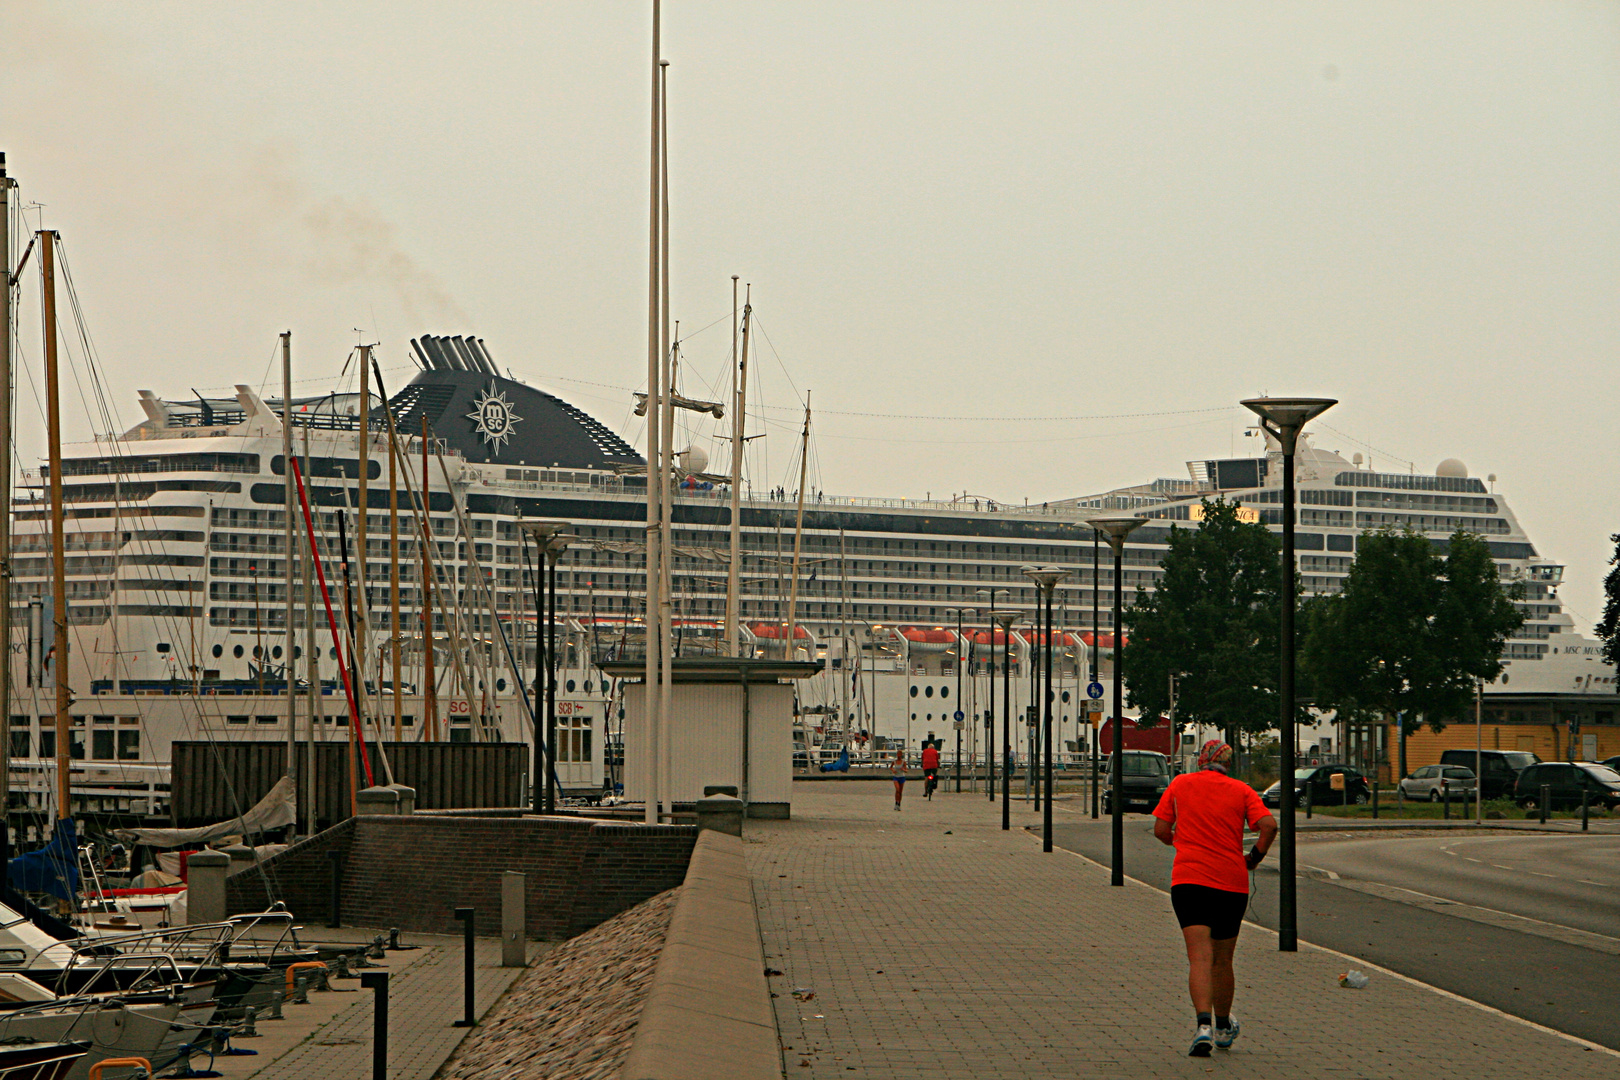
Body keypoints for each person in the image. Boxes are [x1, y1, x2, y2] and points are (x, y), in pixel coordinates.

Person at [1152, 739, 1277, 1057]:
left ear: (1201, 759)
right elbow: (1268, 825)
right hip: (1230, 884)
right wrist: (1254, 857)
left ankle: (1202, 1026)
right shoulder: (1242, 790)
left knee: (1199, 958)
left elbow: (1160, 829)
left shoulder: (1180, 784)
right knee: (1222, 961)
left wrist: (1177, 841)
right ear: (1227, 763)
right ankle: (1223, 1027)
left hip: (1189, 882)